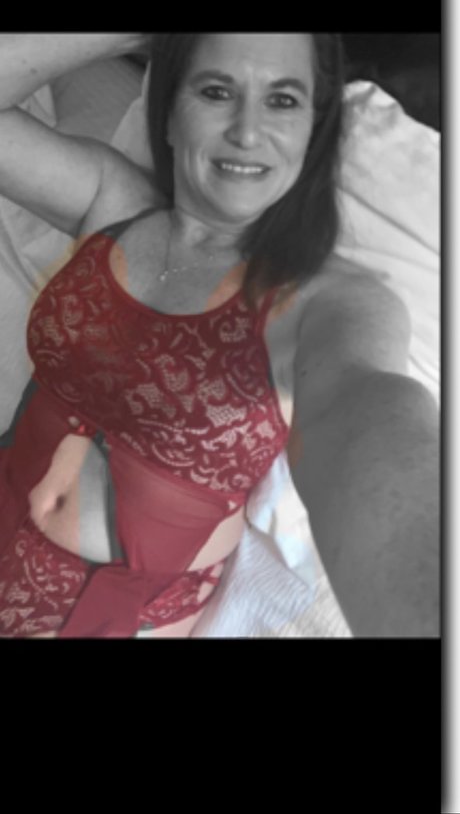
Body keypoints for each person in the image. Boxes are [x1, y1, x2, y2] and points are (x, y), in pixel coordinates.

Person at [0, 33, 439, 638]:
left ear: (313, 131)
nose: (247, 132)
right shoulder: (111, 200)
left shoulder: (330, 303)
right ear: (170, 113)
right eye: (215, 91)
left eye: (282, 100)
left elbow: (369, 413)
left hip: (106, 616)